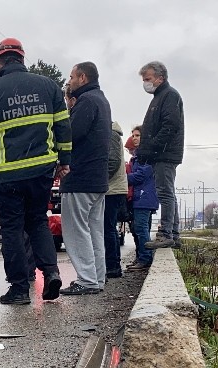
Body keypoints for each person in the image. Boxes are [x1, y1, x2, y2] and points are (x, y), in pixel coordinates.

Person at [0, 38, 71, 305]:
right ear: (22, 59)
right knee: (37, 221)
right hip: (41, 170)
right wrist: (64, 160)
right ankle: (51, 271)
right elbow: (63, 128)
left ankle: (20, 288)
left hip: (9, 174)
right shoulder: (48, 86)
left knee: (12, 230)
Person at [59, 61, 111, 296]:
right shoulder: (101, 100)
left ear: (82, 77)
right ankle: (97, 278)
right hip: (97, 180)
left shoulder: (87, 101)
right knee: (94, 232)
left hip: (80, 177)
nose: (69, 81)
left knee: (76, 231)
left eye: (71, 77)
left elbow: (71, 134)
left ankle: (87, 280)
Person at [137, 61, 185, 250]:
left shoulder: (169, 95)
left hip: (165, 154)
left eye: (147, 79)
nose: (145, 83)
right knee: (168, 192)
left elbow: (169, 126)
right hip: (162, 154)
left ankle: (166, 233)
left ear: (160, 77)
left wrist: (154, 147)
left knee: (165, 193)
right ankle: (173, 233)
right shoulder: (160, 96)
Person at [126, 126, 158, 270]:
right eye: (133, 135)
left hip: (144, 197)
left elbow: (140, 176)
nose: (134, 137)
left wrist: (123, 178)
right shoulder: (138, 157)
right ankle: (141, 257)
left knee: (141, 228)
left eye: (137, 135)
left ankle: (145, 259)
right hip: (141, 197)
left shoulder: (146, 156)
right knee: (140, 228)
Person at [104, 121, 128, 278]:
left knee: (108, 228)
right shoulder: (112, 134)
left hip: (112, 189)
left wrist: (100, 180)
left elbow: (112, 162)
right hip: (112, 188)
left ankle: (113, 266)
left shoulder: (111, 134)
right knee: (108, 228)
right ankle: (112, 265)